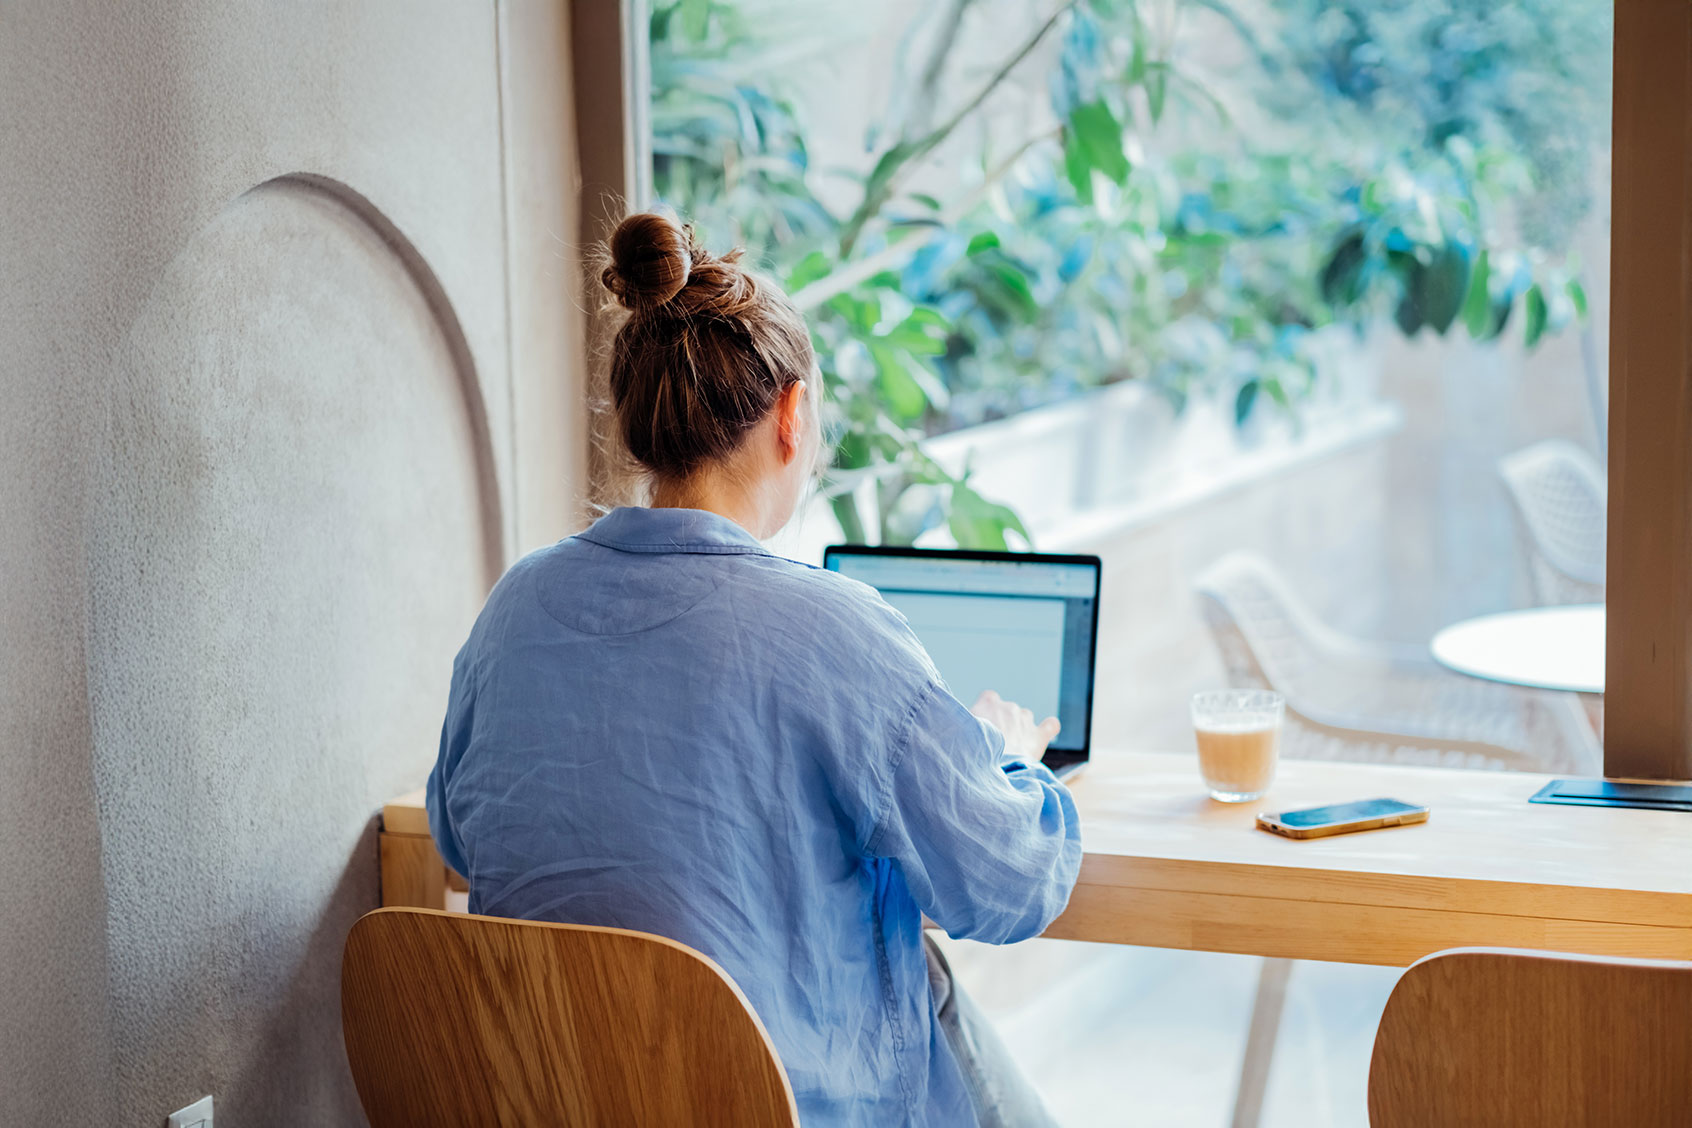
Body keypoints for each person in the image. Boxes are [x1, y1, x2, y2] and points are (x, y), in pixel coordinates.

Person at [427, 212, 1082, 1127]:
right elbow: (1007, 884)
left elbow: (461, 846)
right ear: (792, 414)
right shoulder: (835, 630)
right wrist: (1007, 759)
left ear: (637, 425)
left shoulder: (515, 609)